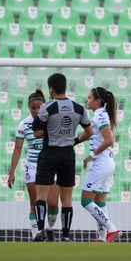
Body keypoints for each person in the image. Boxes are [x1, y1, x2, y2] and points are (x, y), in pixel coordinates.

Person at [32, 73, 93, 242]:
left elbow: (37, 130)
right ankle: (66, 236)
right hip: (68, 154)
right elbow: (89, 132)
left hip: (49, 152)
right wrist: (73, 140)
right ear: (64, 87)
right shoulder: (79, 108)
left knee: (41, 195)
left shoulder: (47, 108)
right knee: (66, 198)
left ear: (51, 88)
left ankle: (41, 231)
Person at [8, 89, 60, 241]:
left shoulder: (51, 121)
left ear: (44, 106)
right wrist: (11, 172)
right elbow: (17, 148)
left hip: (51, 164)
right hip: (32, 165)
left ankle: (49, 229)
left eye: (39, 107)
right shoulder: (24, 124)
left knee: (52, 204)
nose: (36, 111)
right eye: (33, 108)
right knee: (35, 203)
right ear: (28, 107)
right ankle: (36, 235)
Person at [80, 87, 121, 242]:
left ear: (98, 101)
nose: (87, 100)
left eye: (90, 98)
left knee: (85, 200)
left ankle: (112, 229)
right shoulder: (101, 114)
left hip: (101, 163)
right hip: (107, 163)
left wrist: (90, 156)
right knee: (99, 201)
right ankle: (103, 237)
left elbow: (109, 140)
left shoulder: (100, 114)